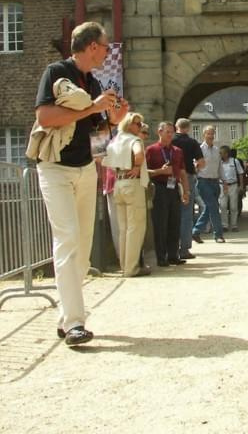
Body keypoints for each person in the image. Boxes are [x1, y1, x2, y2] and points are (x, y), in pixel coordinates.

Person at [33, 21, 129, 347]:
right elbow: (46, 118)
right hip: (55, 169)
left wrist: (112, 119)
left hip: (86, 170)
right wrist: (92, 107)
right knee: (68, 240)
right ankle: (75, 323)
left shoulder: (95, 81)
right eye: (104, 45)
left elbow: (98, 131)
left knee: (82, 251)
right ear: (91, 47)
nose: (106, 51)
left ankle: (66, 318)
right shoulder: (56, 72)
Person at [101, 112, 150, 277]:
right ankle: (132, 268)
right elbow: (139, 154)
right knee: (135, 227)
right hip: (132, 182)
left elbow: (101, 159)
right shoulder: (134, 140)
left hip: (118, 182)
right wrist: (136, 166)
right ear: (129, 125)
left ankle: (124, 266)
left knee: (123, 229)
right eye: (137, 123)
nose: (140, 126)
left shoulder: (115, 141)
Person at [145, 121, 190, 265]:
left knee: (174, 222)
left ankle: (173, 255)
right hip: (159, 187)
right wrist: (160, 171)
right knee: (160, 223)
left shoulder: (177, 151)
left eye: (172, 132)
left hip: (173, 188)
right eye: (167, 132)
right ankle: (161, 257)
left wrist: (186, 191)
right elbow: (144, 173)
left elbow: (183, 173)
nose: (170, 135)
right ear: (160, 132)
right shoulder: (151, 150)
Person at [172, 117, 205, 259]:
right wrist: (195, 169)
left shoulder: (171, 141)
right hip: (189, 177)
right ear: (189, 128)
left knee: (172, 212)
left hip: (171, 177)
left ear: (175, 127)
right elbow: (202, 162)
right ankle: (184, 249)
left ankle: (171, 248)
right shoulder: (192, 143)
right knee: (186, 214)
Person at [192, 125, 226, 244]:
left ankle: (195, 232)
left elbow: (220, 167)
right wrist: (195, 168)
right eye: (208, 134)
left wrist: (224, 181)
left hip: (215, 182)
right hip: (203, 182)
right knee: (214, 207)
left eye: (212, 133)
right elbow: (194, 165)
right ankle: (218, 235)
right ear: (204, 135)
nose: (211, 136)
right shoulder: (199, 149)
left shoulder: (217, 150)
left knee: (209, 208)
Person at [218, 145, 244, 232]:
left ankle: (234, 225)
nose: (220, 155)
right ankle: (224, 225)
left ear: (226, 153)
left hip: (233, 185)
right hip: (222, 186)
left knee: (233, 206)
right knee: (223, 206)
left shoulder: (234, 161)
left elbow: (240, 173)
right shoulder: (219, 162)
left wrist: (241, 185)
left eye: (221, 153)